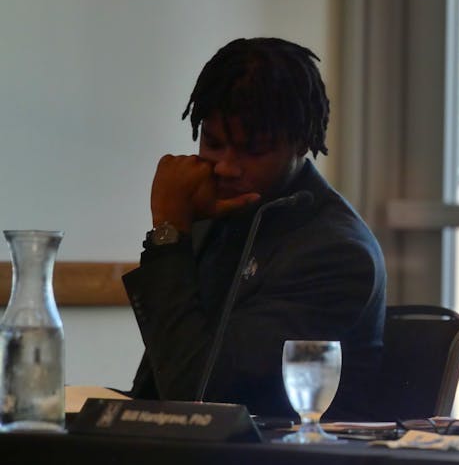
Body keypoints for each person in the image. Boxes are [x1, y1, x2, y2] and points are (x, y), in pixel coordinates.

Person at [124, 37, 386, 420]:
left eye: (253, 150)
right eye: (213, 142)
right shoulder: (223, 211)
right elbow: (156, 385)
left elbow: (198, 393)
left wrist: (169, 233)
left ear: (301, 143)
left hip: (278, 455)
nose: (226, 167)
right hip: (204, 449)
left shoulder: (336, 251)